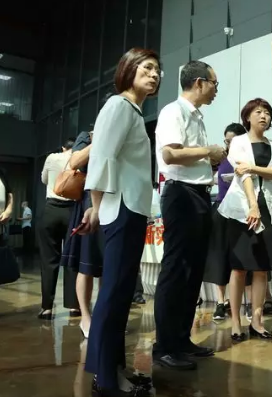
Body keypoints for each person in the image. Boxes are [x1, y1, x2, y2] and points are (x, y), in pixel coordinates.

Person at [79, 48, 160, 397]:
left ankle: (114, 370)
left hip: (132, 208)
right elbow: (101, 157)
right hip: (120, 208)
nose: (154, 74)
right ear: (128, 69)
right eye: (147, 67)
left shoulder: (133, 111)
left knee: (122, 293)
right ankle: (106, 378)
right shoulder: (118, 106)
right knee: (113, 294)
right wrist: (96, 206)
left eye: (157, 70)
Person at [153, 60, 225, 371]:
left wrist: (209, 161)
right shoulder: (174, 111)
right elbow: (170, 154)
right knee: (176, 269)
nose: (216, 90)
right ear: (199, 83)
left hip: (198, 194)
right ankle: (164, 346)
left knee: (193, 270)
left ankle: (181, 339)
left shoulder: (197, 116)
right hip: (180, 194)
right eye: (214, 84)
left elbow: (189, 157)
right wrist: (209, 152)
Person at [218, 98, 272, 341]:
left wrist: (253, 168)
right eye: (258, 112)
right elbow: (242, 174)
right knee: (239, 267)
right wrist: (252, 205)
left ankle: (257, 321)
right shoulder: (238, 141)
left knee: (261, 268)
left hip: (268, 208)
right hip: (242, 210)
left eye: (267, 112)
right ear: (247, 117)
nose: (263, 116)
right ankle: (236, 321)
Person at [60, 129, 102, 339]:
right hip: (89, 201)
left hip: (113, 200)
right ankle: (85, 317)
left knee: (107, 267)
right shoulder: (88, 135)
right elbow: (74, 162)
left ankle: (103, 316)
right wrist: (99, 140)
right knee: (86, 265)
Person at [204, 122, 246, 321]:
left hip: (241, 209)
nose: (228, 144)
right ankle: (220, 302)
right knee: (219, 256)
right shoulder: (220, 158)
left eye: (232, 141)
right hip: (221, 208)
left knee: (241, 258)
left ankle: (240, 301)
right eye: (226, 141)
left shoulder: (247, 157)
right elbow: (208, 176)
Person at [37, 139, 80, 320]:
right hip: (72, 212)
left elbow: (44, 179)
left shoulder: (52, 157)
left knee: (49, 260)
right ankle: (74, 306)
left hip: (51, 210)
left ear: (63, 147)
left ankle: (47, 308)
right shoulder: (82, 158)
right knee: (72, 258)